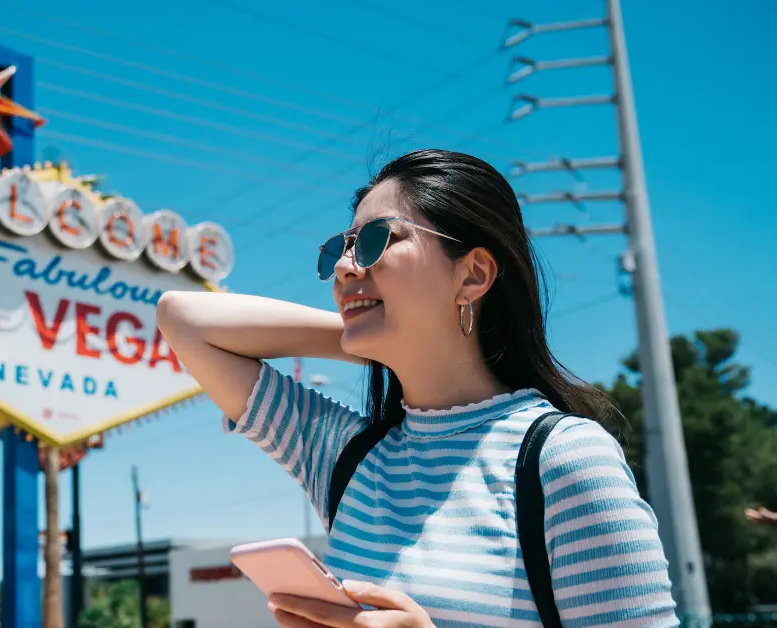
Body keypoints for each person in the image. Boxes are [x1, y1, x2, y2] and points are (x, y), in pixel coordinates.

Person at [157, 150, 679, 627]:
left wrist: (392, 332)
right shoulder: (346, 456)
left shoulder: (565, 459)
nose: (343, 268)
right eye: (339, 249)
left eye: (375, 240)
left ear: (473, 274)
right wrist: (377, 336)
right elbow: (183, 318)